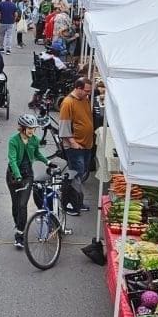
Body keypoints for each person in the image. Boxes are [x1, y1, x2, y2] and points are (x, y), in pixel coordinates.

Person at [7, 114, 50, 248]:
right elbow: (12, 160)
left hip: (27, 176)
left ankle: (20, 235)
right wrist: (17, 175)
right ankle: (18, 223)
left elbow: (37, 154)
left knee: (22, 204)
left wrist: (47, 162)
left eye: (33, 128)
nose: (32, 131)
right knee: (15, 205)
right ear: (22, 128)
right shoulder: (13, 141)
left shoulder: (34, 140)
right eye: (29, 128)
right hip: (13, 176)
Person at [58, 77, 94, 215]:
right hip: (75, 147)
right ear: (78, 88)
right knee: (75, 175)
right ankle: (71, 204)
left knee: (80, 173)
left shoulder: (84, 99)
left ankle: (77, 202)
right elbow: (64, 127)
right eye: (86, 91)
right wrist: (73, 143)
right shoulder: (68, 103)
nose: (88, 94)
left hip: (85, 145)